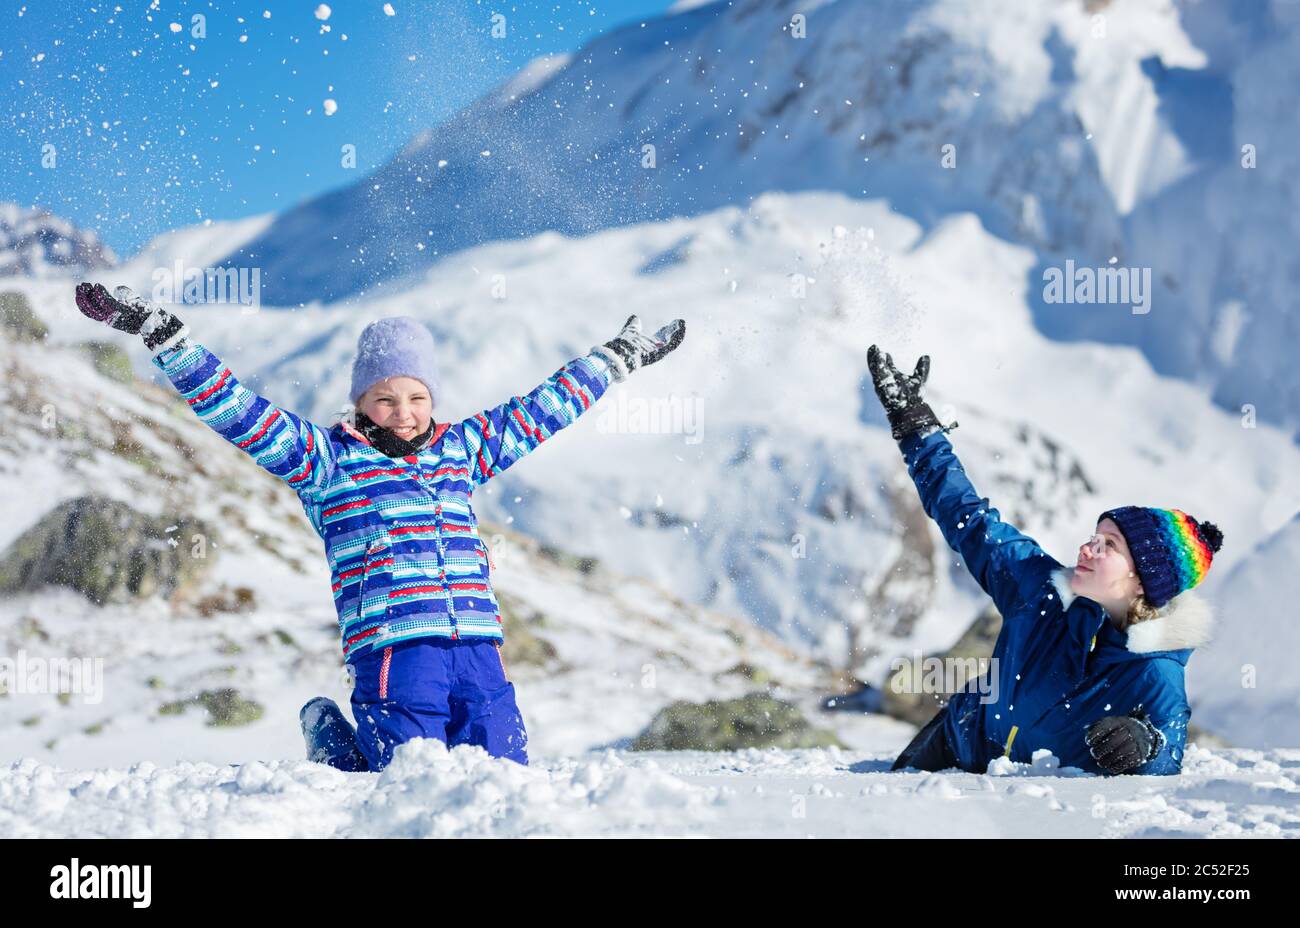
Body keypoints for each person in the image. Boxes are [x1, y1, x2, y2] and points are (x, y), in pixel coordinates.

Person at [74, 282, 685, 771]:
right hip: (394, 646)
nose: (405, 412)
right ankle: (339, 753)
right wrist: (164, 336)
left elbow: (539, 412)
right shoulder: (325, 460)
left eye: (417, 397)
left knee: (504, 772)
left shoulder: (462, 449)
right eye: (386, 399)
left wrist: (615, 359)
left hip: (476, 643)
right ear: (361, 403)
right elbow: (237, 410)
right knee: (407, 775)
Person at [867, 345, 1222, 776]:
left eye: (1109, 545)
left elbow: (1169, 751)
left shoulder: (1152, 671)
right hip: (953, 745)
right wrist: (916, 429)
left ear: (1142, 579)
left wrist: (1145, 743)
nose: (1087, 548)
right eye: (1094, 535)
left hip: (1025, 804)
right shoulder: (1040, 586)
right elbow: (969, 518)